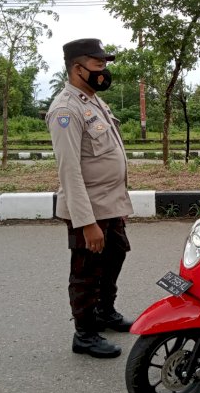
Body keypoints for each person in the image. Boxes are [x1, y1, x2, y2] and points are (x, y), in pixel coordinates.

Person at [46, 38, 134, 359]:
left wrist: (118, 207)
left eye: (104, 65)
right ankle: (84, 332)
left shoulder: (93, 101)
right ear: (78, 68)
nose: (104, 71)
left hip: (109, 204)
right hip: (89, 211)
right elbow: (69, 171)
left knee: (116, 256)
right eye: (98, 65)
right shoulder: (65, 110)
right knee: (86, 270)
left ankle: (104, 311)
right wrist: (86, 223)